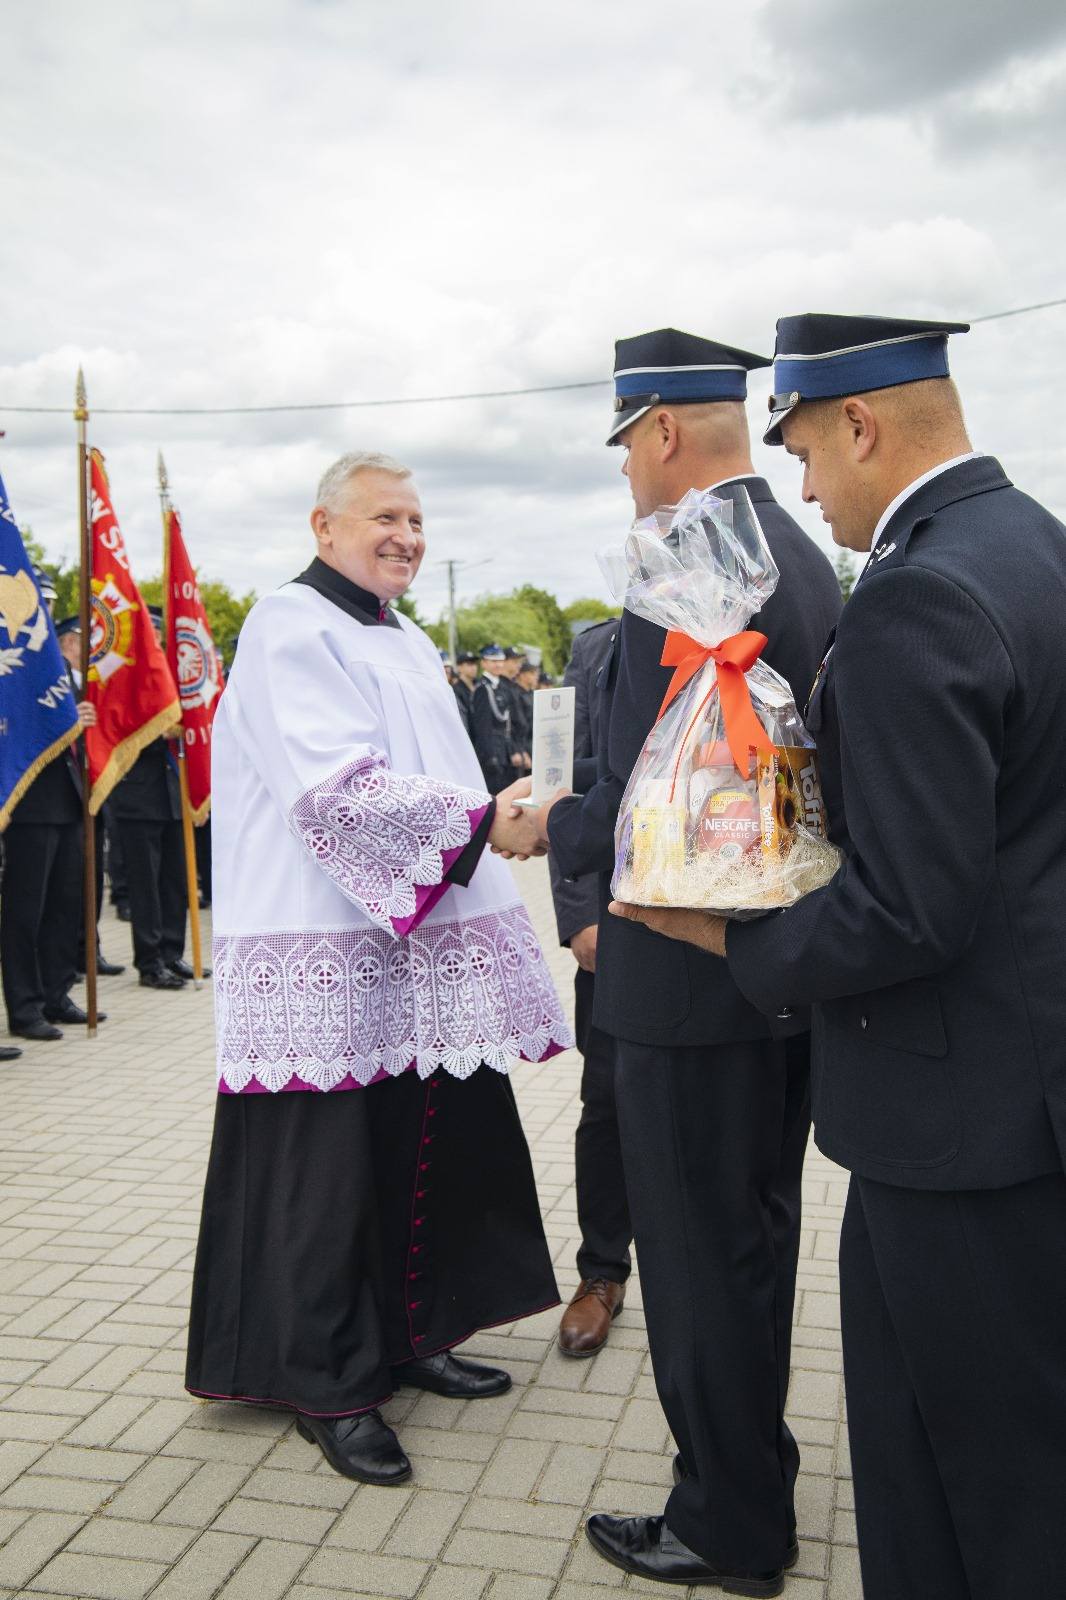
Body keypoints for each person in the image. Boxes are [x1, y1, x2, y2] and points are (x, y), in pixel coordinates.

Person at [612, 311, 1066, 1600]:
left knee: (965, 1474)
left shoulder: (920, 591)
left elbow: (911, 906)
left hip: (955, 1121)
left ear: (860, 424)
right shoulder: (1032, 541)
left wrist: (729, 930)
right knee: (988, 1458)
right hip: (1018, 1091)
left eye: (807, 450)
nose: (804, 488)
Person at [522, 327, 841, 1593]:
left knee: (700, 1258)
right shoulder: (798, 553)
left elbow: (657, 792)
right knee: (752, 1240)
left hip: (685, 976)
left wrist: (553, 823)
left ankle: (726, 1522)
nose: (625, 471)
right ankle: (753, 1473)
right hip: (778, 974)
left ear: (659, 430)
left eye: (625, 444)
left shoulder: (692, 559)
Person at [185, 450, 571, 1487]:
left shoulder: (400, 635)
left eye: (416, 520)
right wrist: (484, 824)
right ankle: (328, 1383)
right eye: (384, 518)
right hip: (317, 939)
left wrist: (491, 810)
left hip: (413, 936)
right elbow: (336, 792)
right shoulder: (289, 625)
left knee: (419, 1142)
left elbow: (436, 772)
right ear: (324, 526)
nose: (407, 536)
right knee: (326, 1174)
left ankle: (411, 1333)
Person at [547, 618, 633, 1355]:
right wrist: (578, 916)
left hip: (718, 920)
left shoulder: (749, 619)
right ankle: (602, 1271)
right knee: (607, 1104)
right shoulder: (599, 647)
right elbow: (562, 775)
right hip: (614, 924)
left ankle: (693, 1268)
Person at [1, 582, 107, 1039]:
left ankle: (55, 993)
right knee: (26, 909)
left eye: (47, 603)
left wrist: (79, 721)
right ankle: (24, 1007)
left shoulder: (56, 664)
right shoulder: (12, 660)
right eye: (38, 601)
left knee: (65, 904)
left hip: (68, 796)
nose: (43, 609)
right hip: (28, 801)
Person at [108, 609, 191, 990]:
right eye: (150, 635)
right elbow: (119, 729)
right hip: (138, 795)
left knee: (175, 880)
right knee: (146, 885)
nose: (155, 641)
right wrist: (160, 727)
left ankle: (173, 952)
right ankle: (150, 961)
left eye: (157, 635)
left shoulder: (169, 677)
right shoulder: (124, 677)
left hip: (172, 794)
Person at [55, 618, 124, 979]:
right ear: (68, 643)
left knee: (90, 877)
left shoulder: (92, 682)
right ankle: (70, 954)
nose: (91, 648)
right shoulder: (59, 679)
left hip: (91, 789)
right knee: (69, 882)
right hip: (65, 792)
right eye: (84, 641)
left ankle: (89, 949)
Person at [470, 643, 515, 792]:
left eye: (500, 661)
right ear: (484, 663)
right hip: (492, 751)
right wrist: (489, 755)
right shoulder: (483, 689)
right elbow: (482, 726)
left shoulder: (502, 686)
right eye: (494, 661)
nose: (498, 665)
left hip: (504, 750)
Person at [451, 651, 479, 738]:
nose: (474, 667)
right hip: (468, 736)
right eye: (469, 664)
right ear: (459, 668)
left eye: (474, 664)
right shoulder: (455, 690)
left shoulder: (480, 686)